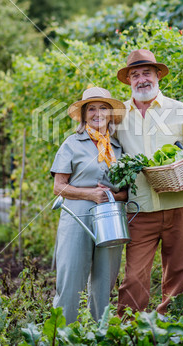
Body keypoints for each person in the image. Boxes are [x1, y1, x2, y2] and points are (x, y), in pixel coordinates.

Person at [115, 49, 183, 317]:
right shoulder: (117, 116)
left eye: (147, 73)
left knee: (178, 274)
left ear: (157, 76)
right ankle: (129, 329)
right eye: (135, 74)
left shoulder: (179, 110)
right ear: (129, 80)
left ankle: (169, 327)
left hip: (180, 205)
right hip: (139, 209)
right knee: (133, 278)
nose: (141, 79)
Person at [50, 87, 127, 324]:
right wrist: (91, 194)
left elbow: (125, 191)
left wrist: (114, 196)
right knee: (71, 278)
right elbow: (59, 187)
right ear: (84, 115)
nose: (97, 113)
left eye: (103, 107)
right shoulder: (72, 144)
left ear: (110, 113)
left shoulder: (118, 149)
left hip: (111, 218)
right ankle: (62, 333)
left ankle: (100, 332)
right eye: (91, 108)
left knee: (105, 281)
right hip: (77, 216)